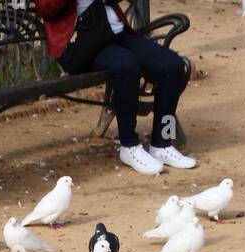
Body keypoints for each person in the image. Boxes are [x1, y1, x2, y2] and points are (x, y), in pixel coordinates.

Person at [36, 0, 196, 175]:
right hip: (83, 45)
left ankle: (162, 143)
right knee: (127, 66)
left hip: (117, 33)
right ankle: (129, 145)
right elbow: (45, 9)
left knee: (173, 66)